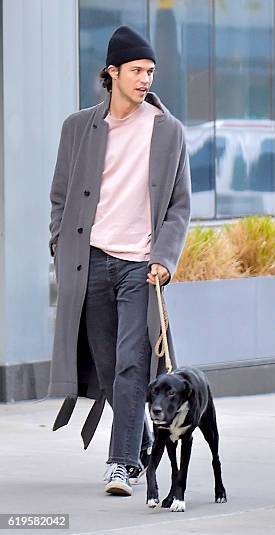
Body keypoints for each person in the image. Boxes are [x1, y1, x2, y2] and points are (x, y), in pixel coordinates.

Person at [48, 26, 191, 496]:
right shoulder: (78, 127)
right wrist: (59, 244)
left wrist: (165, 258)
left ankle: (121, 463)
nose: (146, 79)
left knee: (134, 363)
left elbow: (178, 206)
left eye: (150, 71)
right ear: (113, 72)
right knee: (110, 371)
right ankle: (142, 443)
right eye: (136, 71)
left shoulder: (168, 132)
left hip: (139, 266)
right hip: (89, 263)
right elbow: (61, 197)